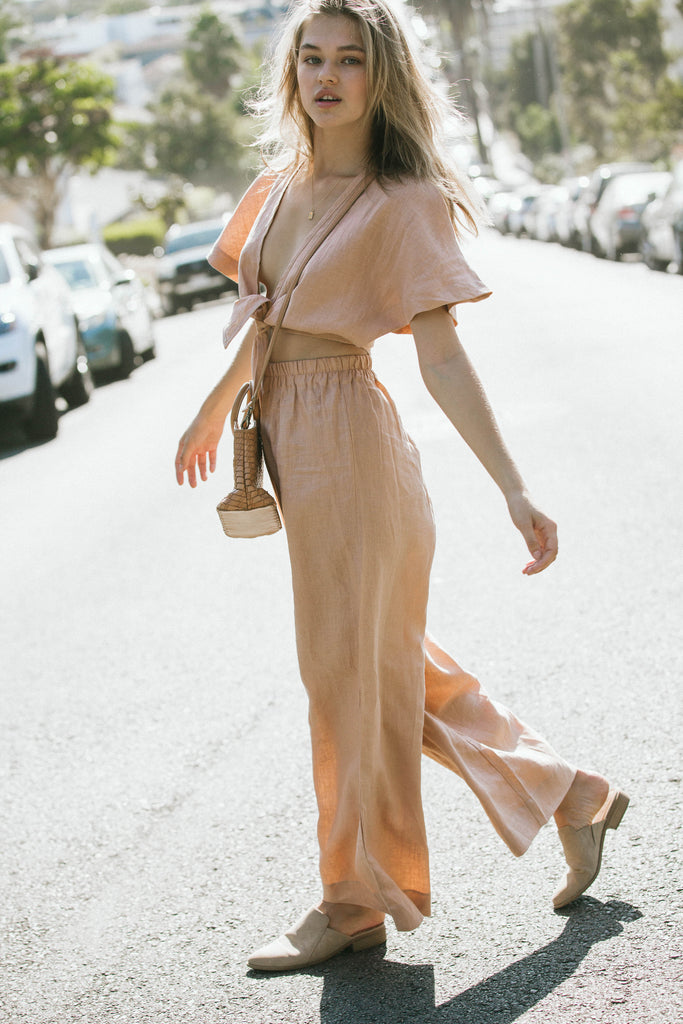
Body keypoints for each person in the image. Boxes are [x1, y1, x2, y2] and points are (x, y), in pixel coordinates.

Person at [175, 0, 628, 972]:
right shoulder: (275, 187)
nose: (326, 76)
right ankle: (573, 793)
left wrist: (511, 484)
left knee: (343, 682)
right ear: (290, 70)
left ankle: (351, 900)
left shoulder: (399, 197)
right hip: (292, 436)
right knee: (380, 675)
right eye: (311, 57)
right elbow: (261, 317)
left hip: (350, 441)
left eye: (348, 59)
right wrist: (214, 409)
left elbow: (441, 357)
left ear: (380, 76)